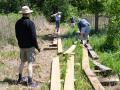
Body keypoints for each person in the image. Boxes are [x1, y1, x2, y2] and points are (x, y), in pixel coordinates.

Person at [15, 6, 40, 87]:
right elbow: (33, 37)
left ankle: (19, 79)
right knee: (30, 63)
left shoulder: (17, 23)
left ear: (22, 13)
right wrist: (37, 47)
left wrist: (20, 44)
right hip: (30, 47)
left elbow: (17, 35)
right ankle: (30, 81)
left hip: (21, 46)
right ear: (28, 13)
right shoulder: (30, 23)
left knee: (22, 62)